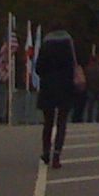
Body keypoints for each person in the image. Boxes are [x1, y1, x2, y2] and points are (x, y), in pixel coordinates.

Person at [34, 28, 80, 168]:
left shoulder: (46, 43)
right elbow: (73, 64)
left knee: (48, 122)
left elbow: (38, 68)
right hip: (65, 86)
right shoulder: (68, 42)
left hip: (48, 87)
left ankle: (46, 151)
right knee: (61, 122)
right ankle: (57, 155)